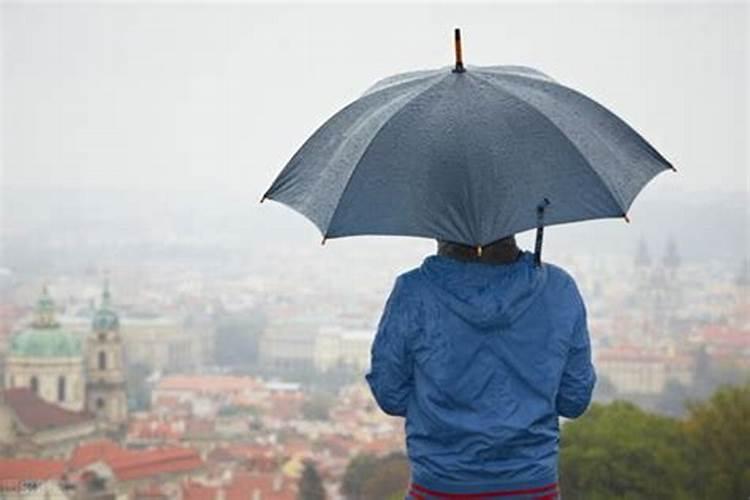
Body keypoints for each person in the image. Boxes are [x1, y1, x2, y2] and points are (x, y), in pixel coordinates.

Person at [365, 235, 596, 500]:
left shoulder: (414, 291)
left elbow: (389, 394)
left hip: (440, 483)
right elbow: (574, 400)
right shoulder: (558, 288)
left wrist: (440, 409)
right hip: (532, 485)